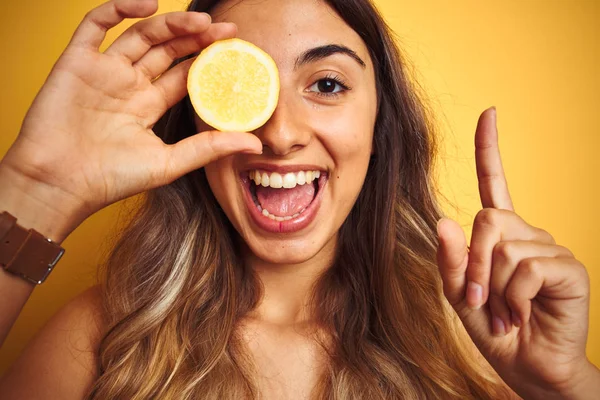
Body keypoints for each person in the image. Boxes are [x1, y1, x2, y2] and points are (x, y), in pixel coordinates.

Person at [0, 0, 598, 398]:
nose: (281, 135)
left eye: (328, 85)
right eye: (242, 89)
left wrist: (565, 387)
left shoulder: (476, 337)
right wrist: (35, 188)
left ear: (379, 120)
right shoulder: (104, 338)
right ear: (191, 121)